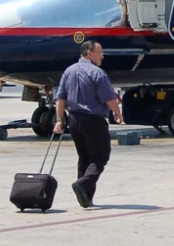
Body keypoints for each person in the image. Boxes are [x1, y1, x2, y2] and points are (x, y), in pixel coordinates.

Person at [53, 41, 124, 208]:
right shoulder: (98, 73)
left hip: (74, 120)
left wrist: (59, 120)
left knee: (84, 157)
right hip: (93, 120)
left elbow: (60, 98)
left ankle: (85, 197)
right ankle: (83, 184)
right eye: (100, 52)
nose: (102, 56)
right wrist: (118, 113)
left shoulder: (68, 71)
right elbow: (108, 98)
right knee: (100, 157)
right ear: (89, 53)